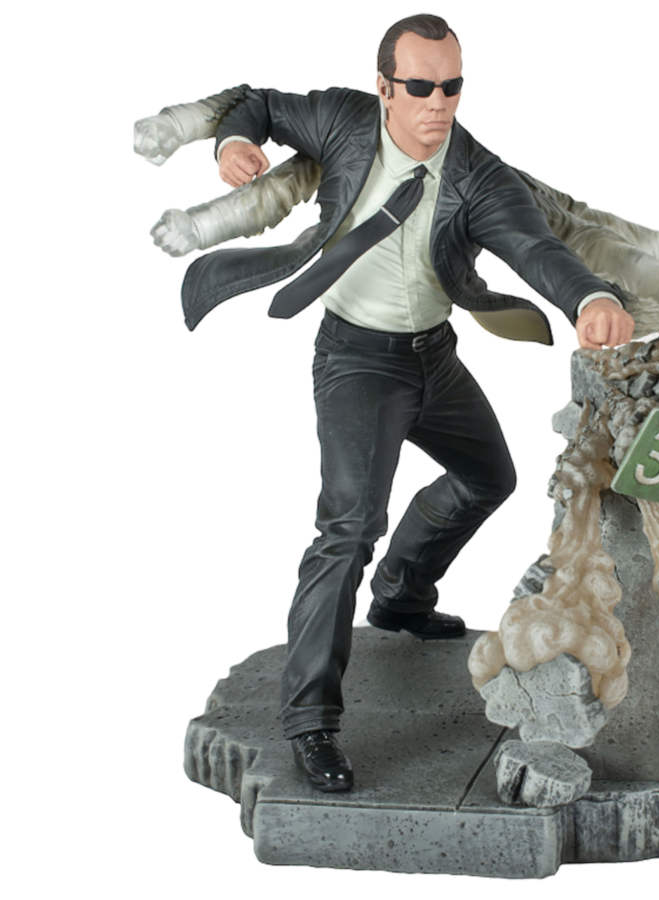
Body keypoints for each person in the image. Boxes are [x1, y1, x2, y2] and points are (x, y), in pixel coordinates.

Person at [200, 15, 635, 792]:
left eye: (452, 87)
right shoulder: (343, 121)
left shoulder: (477, 177)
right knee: (349, 526)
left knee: (489, 476)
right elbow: (257, 103)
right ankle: (309, 719)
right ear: (384, 87)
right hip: (357, 359)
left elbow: (537, 249)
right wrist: (237, 142)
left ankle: (401, 598)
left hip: (431, 356)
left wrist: (593, 297)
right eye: (421, 87)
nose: (438, 104)